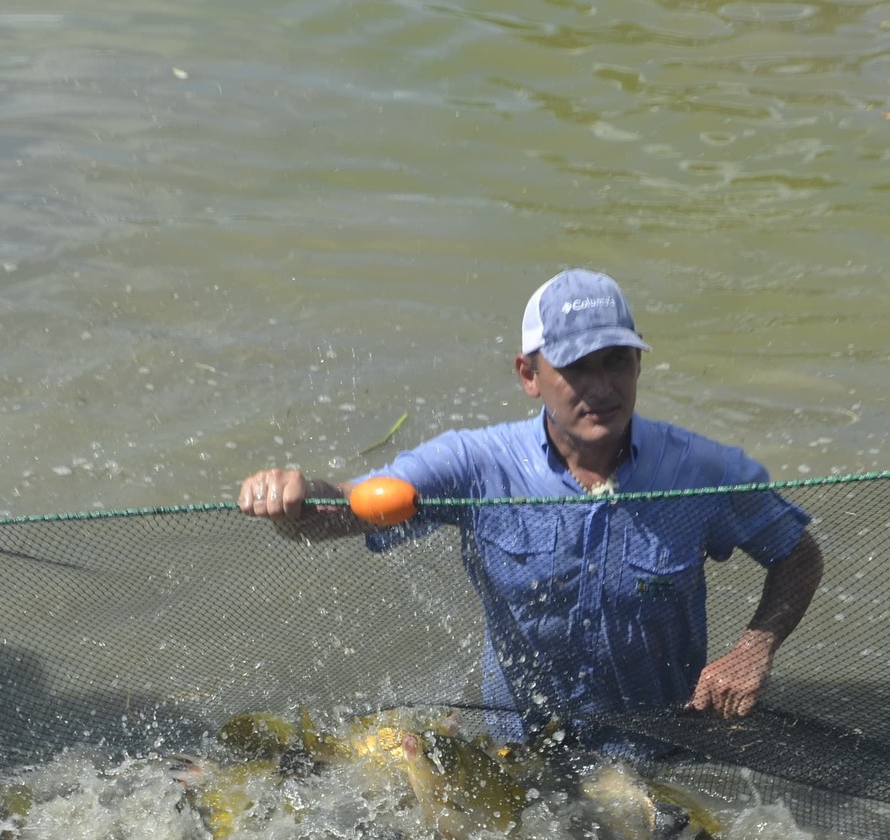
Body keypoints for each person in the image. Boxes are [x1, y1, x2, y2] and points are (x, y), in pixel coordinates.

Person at [238, 268, 823, 750]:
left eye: (617, 360)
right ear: (529, 375)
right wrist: (293, 496)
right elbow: (342, 511)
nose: (602, 387)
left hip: (669, 754)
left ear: (639, 365)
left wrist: (753, 650)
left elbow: (797, 554)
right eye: (576, 367)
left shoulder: (700, 472)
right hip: (524, 757)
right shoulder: (476, 465)